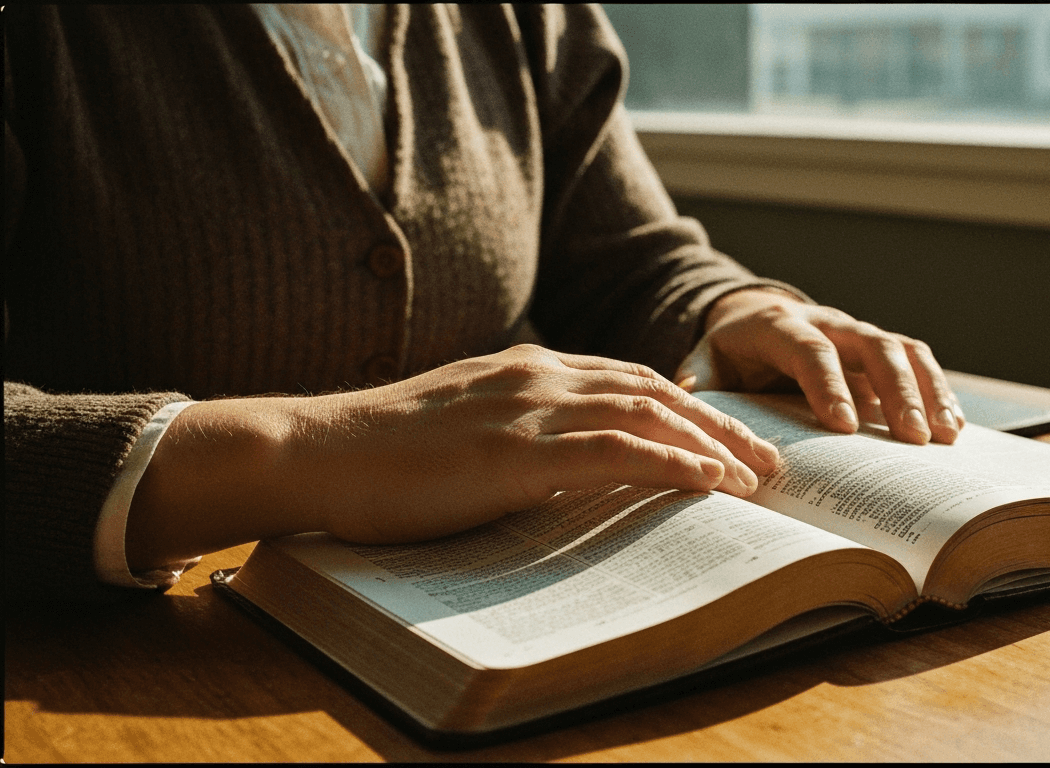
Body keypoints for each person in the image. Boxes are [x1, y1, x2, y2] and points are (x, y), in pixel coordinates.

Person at [3, 4, 964, 603]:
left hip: (490, 617)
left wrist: (727, 305)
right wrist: (306, 451)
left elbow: (627, 254)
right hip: (136, 665)